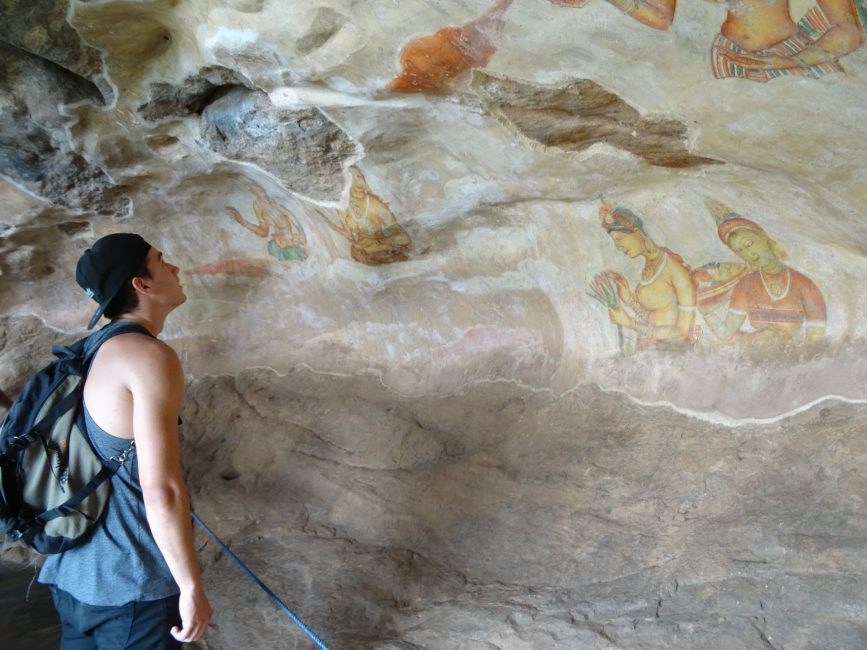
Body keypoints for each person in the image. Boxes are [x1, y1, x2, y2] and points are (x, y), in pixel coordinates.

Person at [38, 233, 212, 648]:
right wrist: (191, 588)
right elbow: (161, 490)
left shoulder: (87, 352)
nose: (175, 269)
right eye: (161, 261)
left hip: (71, 574)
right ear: (143, 284)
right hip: (130, 586)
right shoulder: (149, 358)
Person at [699, 200, 827, 345]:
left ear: (763, 237)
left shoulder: (806, 286)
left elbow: (815, 344)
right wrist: (706, 312)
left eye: (749, 244)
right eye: (740, 250)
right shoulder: (745, 285)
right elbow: (726, 332)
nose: (749, 253)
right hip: (755, 359)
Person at [597, 203, 697, 349]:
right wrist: (628, 298)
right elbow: (652, 317)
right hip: (648, 349)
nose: (618, 247)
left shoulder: (675, 270)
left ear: (637, 233)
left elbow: (682, 332)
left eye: (619, 239)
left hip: (670, 353)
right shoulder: (649, 266)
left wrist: (630, 323)